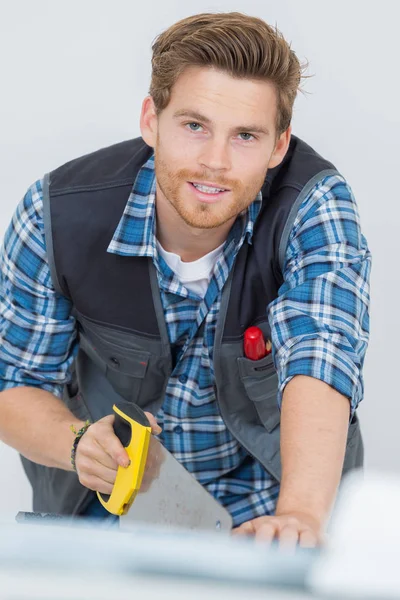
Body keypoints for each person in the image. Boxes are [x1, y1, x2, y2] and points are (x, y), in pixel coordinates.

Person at [0, 12, 371, 548]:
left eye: (245, 135)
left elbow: (323, 356)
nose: (214, 162)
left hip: (275, 501)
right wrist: (77, 443)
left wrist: (300, 517)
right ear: (152, 119)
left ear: (279, 146)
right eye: (194, 126)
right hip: (110, 504)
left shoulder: (315, 207)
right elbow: (15, 383)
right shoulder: (54, 214)